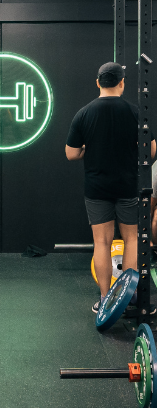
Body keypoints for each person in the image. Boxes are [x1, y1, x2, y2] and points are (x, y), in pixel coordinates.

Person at [66, 62, 157, 313]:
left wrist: (89, 150)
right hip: (128, 186)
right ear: (122, 83)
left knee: (102, 243)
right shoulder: (136, 112)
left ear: (98, 83)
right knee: (131, 240)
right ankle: (127, 299)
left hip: (97, 189)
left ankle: (106, 300)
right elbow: (151, 151)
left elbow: (71, 154)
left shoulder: (84, 113)